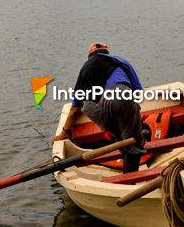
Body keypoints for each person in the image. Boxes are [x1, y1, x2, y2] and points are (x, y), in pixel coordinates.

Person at [53, 42, 146, 173]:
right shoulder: (121, 61)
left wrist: (64, 132)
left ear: (90, 56)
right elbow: (137, 93)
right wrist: (133, 114)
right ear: (107, 52)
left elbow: (75, 108)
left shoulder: (85, 69)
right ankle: (130, 178)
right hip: (121, 96)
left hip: (93, 108)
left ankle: (123, 139)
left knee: (121, 134)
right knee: (133, 142)